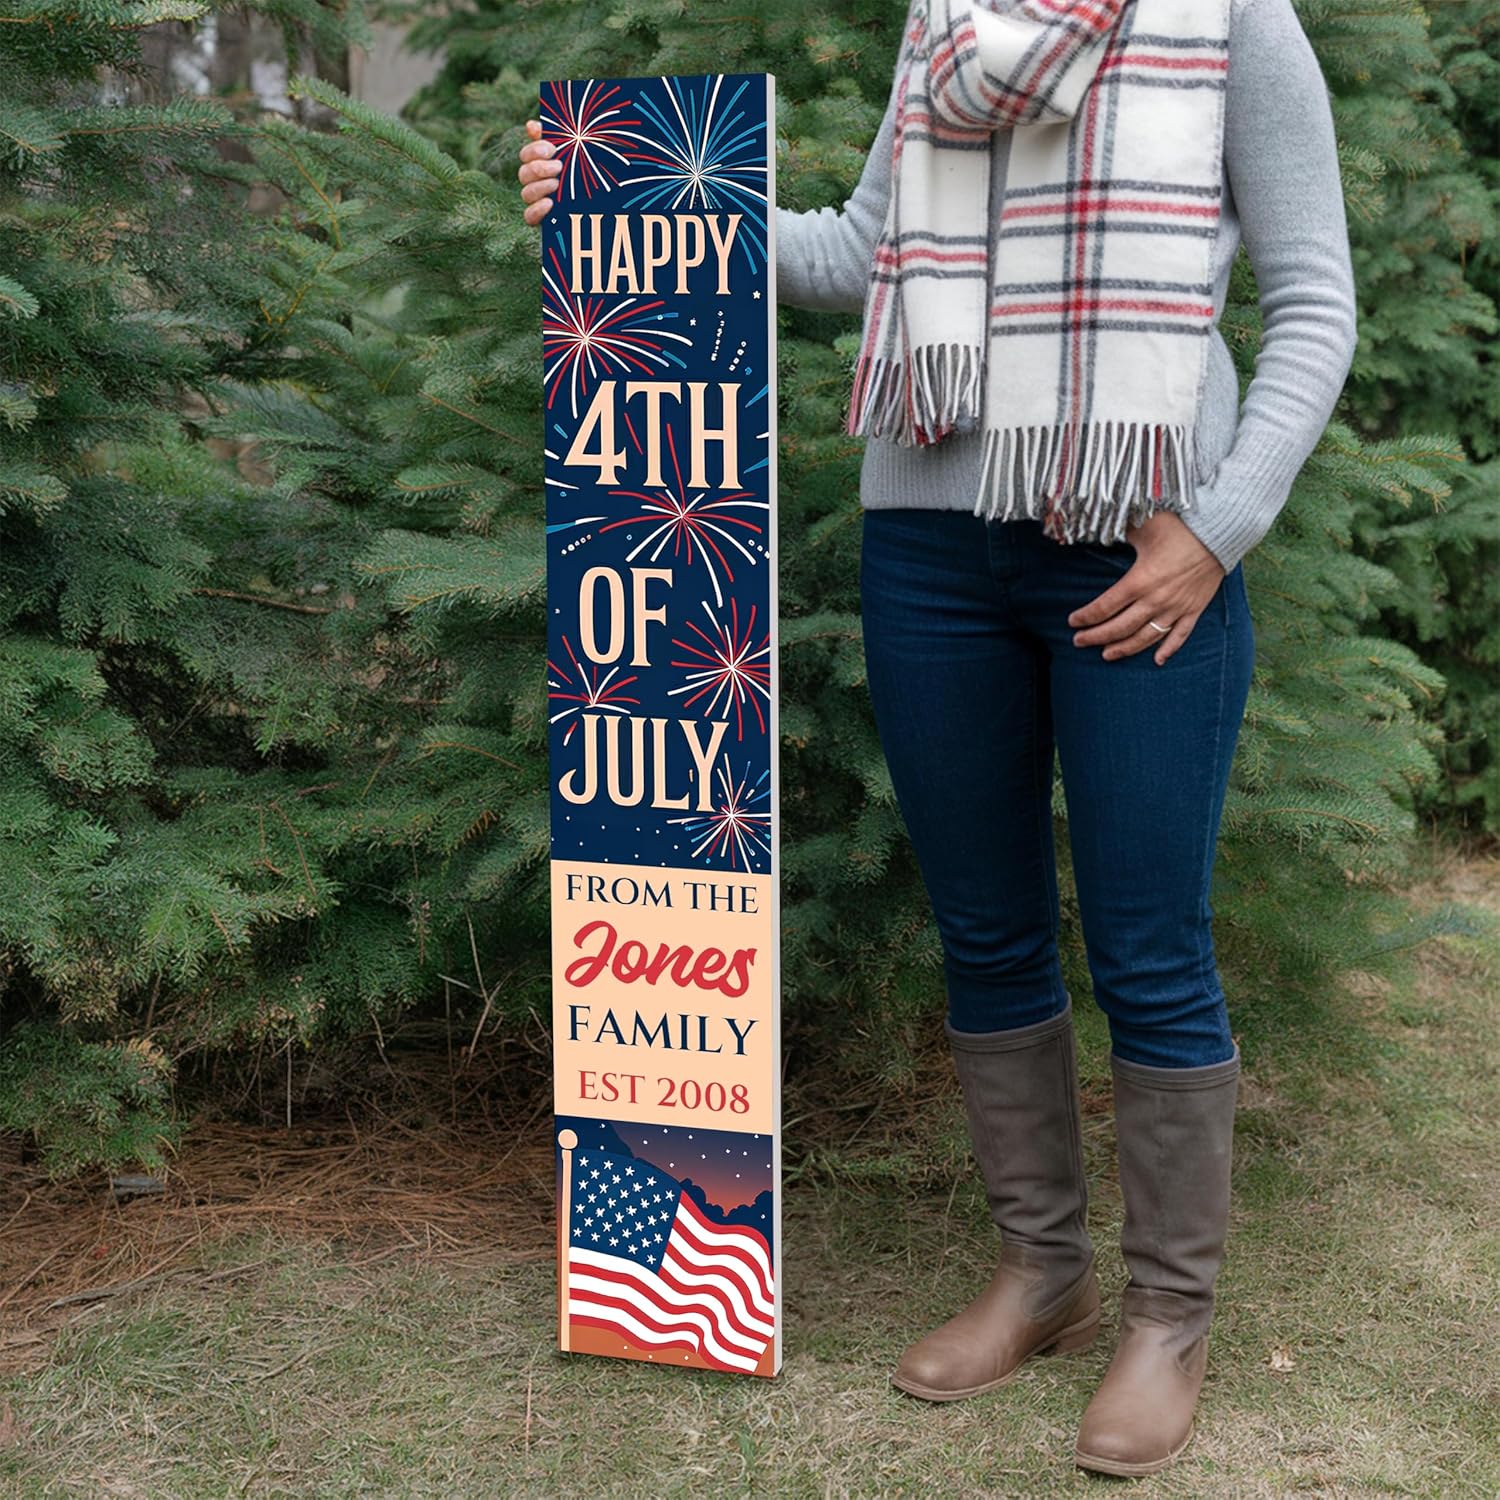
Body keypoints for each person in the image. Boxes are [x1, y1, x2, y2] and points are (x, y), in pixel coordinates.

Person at [517, 0, 1357, 1476]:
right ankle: (1042, 1271)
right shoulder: (946, 24)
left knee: (1150, 942)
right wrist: (623, 198)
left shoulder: (1233, 25)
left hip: (1140, 547)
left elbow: (1316, 303)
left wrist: (1219, 530)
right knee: (985, 928)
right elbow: (860, 256)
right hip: (929, 548)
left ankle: (1168, 1315)